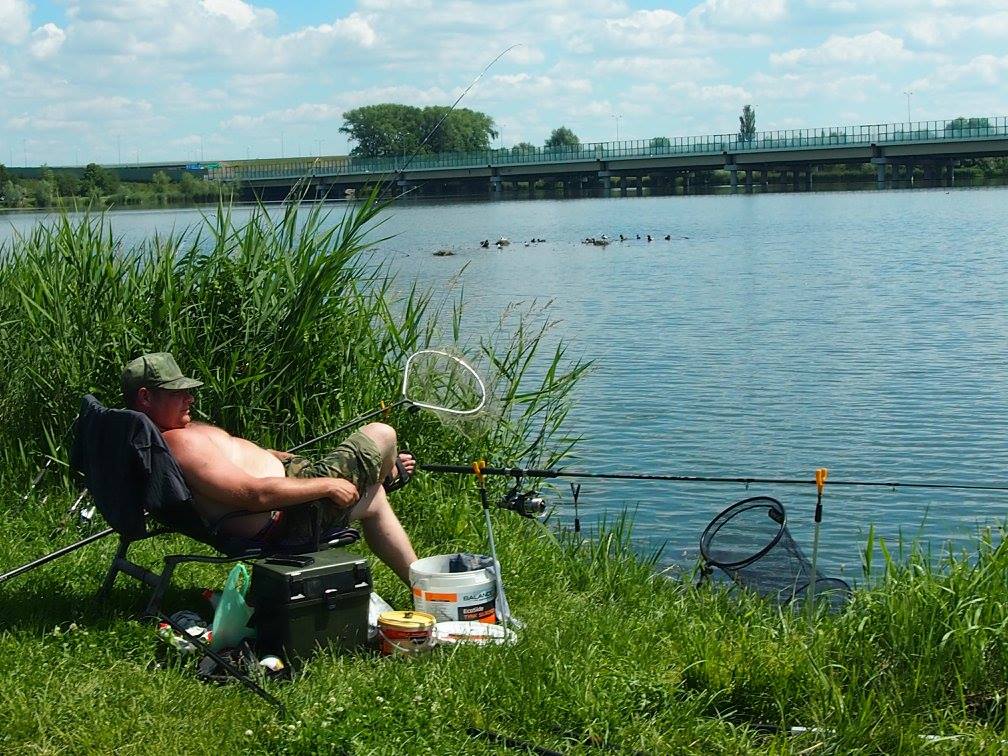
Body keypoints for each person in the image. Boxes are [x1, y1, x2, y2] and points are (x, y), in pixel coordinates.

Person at [121, 352, 418, 584]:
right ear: (146, 397)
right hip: (290, 513)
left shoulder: (165, 435)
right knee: (383, 433)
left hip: (288, 488)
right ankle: (385, 475)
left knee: (375, 496)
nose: (190, 398)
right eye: (176, 392)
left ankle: (422, 589)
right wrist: (328, 485)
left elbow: (230, 463)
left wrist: (271, 457)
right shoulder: (178, 443)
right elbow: (254, 495)